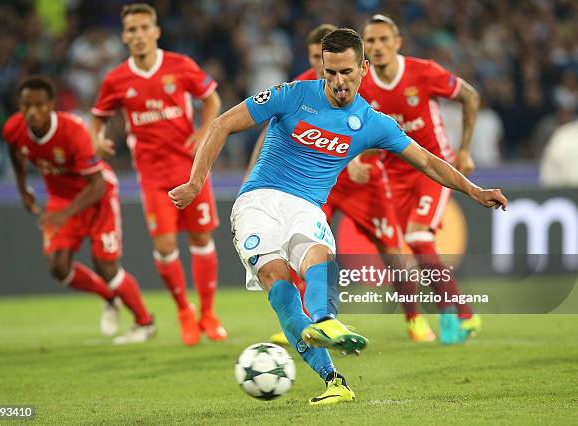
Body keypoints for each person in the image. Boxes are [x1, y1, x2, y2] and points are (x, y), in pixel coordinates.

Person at [170, 29, 507, 405]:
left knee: (317, 252)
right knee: (280, 290)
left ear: (363, 68)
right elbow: (222, 124)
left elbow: (427, 160)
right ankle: (332, 374)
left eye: (346, 72)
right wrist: (196, 181)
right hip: (258, 201)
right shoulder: (293, 94)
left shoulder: (372, 122)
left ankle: (328, 339)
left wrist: (474, 190)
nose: (337, 81)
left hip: (306, 206)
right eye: (329, 73)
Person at [247, 24, 434, 344]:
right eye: (314, 58)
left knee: (392, 250)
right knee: (301, 245)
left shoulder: (358, 82)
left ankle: (414, 317)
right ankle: (307, 320)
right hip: (320, 185)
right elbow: (273, 130)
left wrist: (358, 159)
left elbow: (381, 130)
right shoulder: (303, 87)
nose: (322, 68)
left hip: (366, 184)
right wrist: (253, 173)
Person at [90, 3, 225, 346]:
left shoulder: (180, 66)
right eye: (131, 30)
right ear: (124, 37)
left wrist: (204, 132)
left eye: (143, 28)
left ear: (156, 31)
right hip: (152, 175)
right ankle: (184, 310)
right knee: (165, 245)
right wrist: (97, 138)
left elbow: (212, 99)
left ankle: (208, 313)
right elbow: (99, 116)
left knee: (200, 239)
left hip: (191, 169)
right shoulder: (117, 79)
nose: (137, 35)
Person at [2, 76, 155, 345]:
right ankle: (109, 299)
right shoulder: (14, 129)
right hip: (61, 199)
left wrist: (64, 214)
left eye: (39, 105)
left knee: (105, 265)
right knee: (58, 267)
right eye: (26, 105)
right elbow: (15, 152)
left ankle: (145, 322)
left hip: (98, 196)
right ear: (20, 105)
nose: (32, 112)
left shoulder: (73, 131)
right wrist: (23, 187)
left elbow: (96, 184)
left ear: (51, 105)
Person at [361, 15, 483, 343]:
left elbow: (470, 95)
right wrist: (358, 161)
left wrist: (465, 150)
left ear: (397, 42)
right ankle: (463, 313)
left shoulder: (423, 72)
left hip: (433, 169)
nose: (378, 46)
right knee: (401, 249)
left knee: (417, 237)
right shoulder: (362, 84)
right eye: (371, 41)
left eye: (384, 39)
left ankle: (450, 316)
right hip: (392, 177)